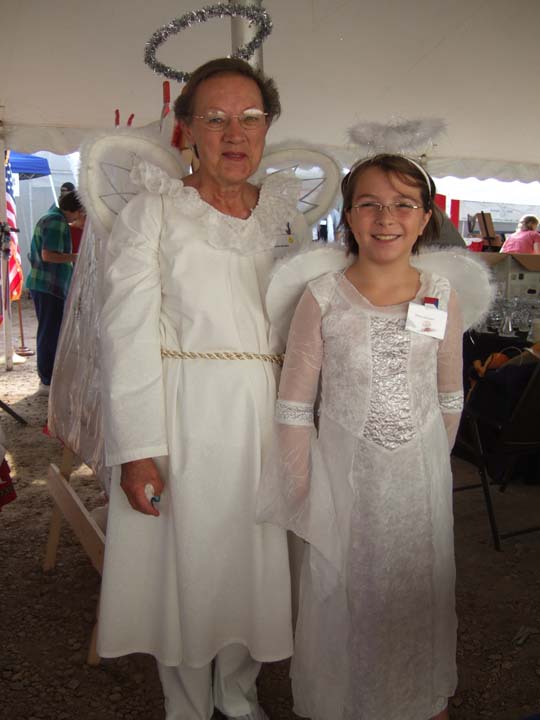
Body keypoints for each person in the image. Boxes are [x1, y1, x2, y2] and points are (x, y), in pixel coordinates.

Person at [98, 57, 310, 720]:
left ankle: (239, 694)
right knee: (183, 563)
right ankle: (187, 705)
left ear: (268, 126)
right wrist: (137, 448)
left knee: (255, 555)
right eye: (215, 119)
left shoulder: (283, 215)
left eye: (249, 118)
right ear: (187, 128)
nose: (234, 133)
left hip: (264, 415)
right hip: (182, 412)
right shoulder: (153, 213)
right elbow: (125, 334)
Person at [259, 154, 464, 720]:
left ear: (425, 218)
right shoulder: (323, 297)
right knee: (346, 591)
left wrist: (429, 462)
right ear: (349, 216)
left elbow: (449, 395)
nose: (386, 218)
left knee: (415, 590)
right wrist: (303, 490)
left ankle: (417, 699)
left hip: (418, 486)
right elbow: (294, 406)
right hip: (343, 483)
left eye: (403, 205)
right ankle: (346, 703)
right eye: (369, 204)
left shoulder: (440, 294)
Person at [25, 191, 83, 395]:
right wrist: (76, 257)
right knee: (49, 333)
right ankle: (47, 380)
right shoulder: (57, 221)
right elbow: (48, 255)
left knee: (49, 331)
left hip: (45, 285)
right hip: (49, 286)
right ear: (77, 210)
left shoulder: (52, 217)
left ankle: (47, 378)